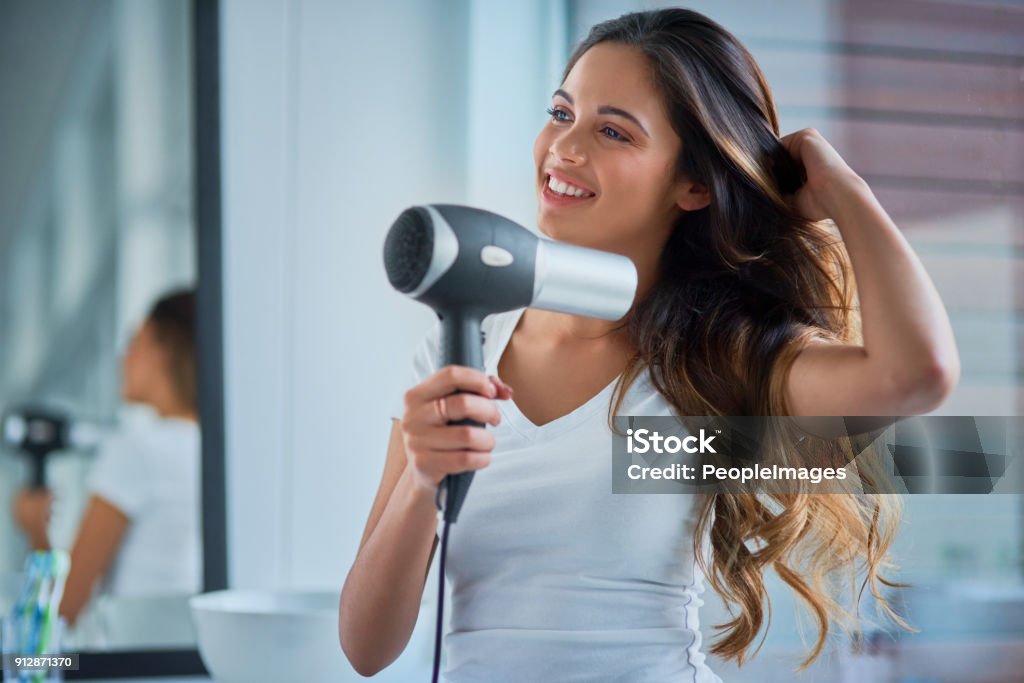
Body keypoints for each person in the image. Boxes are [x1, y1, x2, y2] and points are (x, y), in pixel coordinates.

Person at [339, 8, 960, 681]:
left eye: (612, 131)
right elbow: (366, 648)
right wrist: (422, 480)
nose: (564, 149)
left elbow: (915, 374)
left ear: (694, 184)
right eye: (560, 111)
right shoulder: (458, 352)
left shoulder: (710, 363)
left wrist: (846, 190)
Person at [13, 288, 201, 628]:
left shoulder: (136, 451)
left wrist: (35, 530)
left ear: (162, 350)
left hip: (132, 665)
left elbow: (63, 612)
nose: (122, 356)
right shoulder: (208, 450)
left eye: (134, 340)